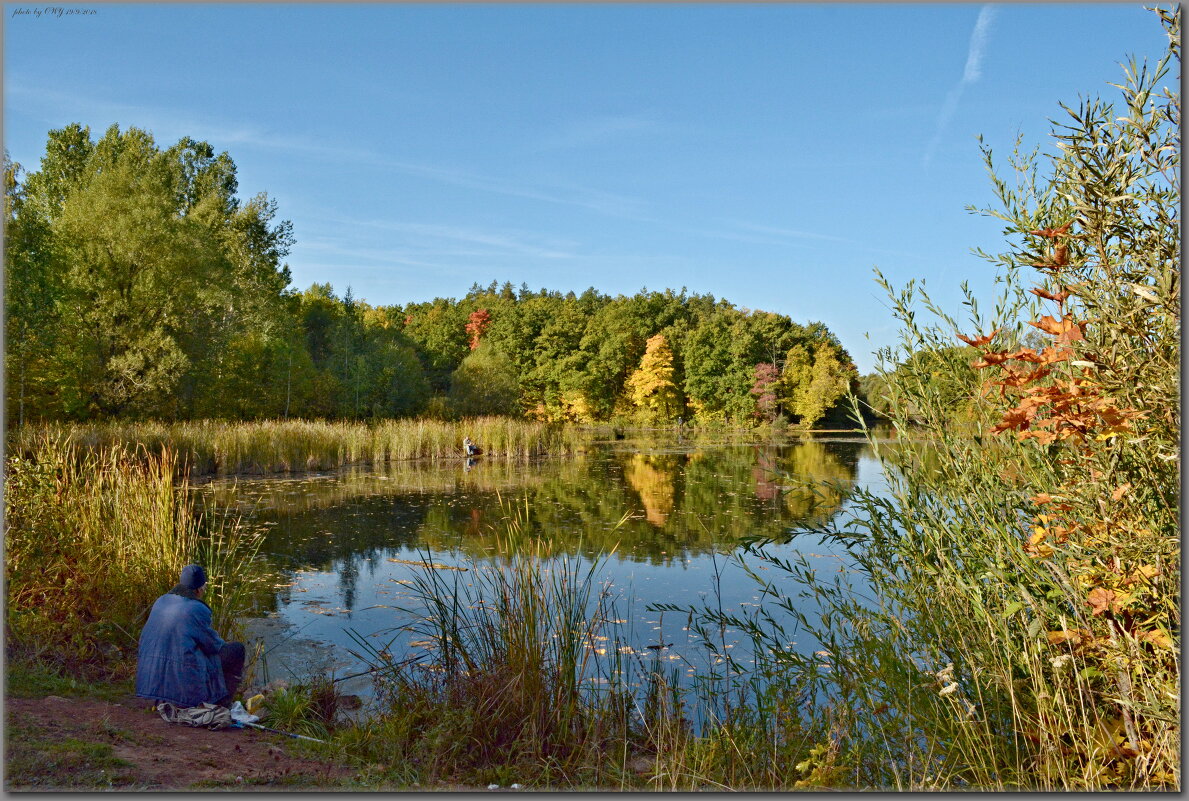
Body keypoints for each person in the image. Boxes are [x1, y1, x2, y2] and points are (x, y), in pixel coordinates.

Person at [135, 564, 245, 709]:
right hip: (183, 683)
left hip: (149, 680)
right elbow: (213, 645)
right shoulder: (196, 608)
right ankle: (222, 703)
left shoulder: (161, 600)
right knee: (236, 650)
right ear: (199, 589)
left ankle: (164, 698)